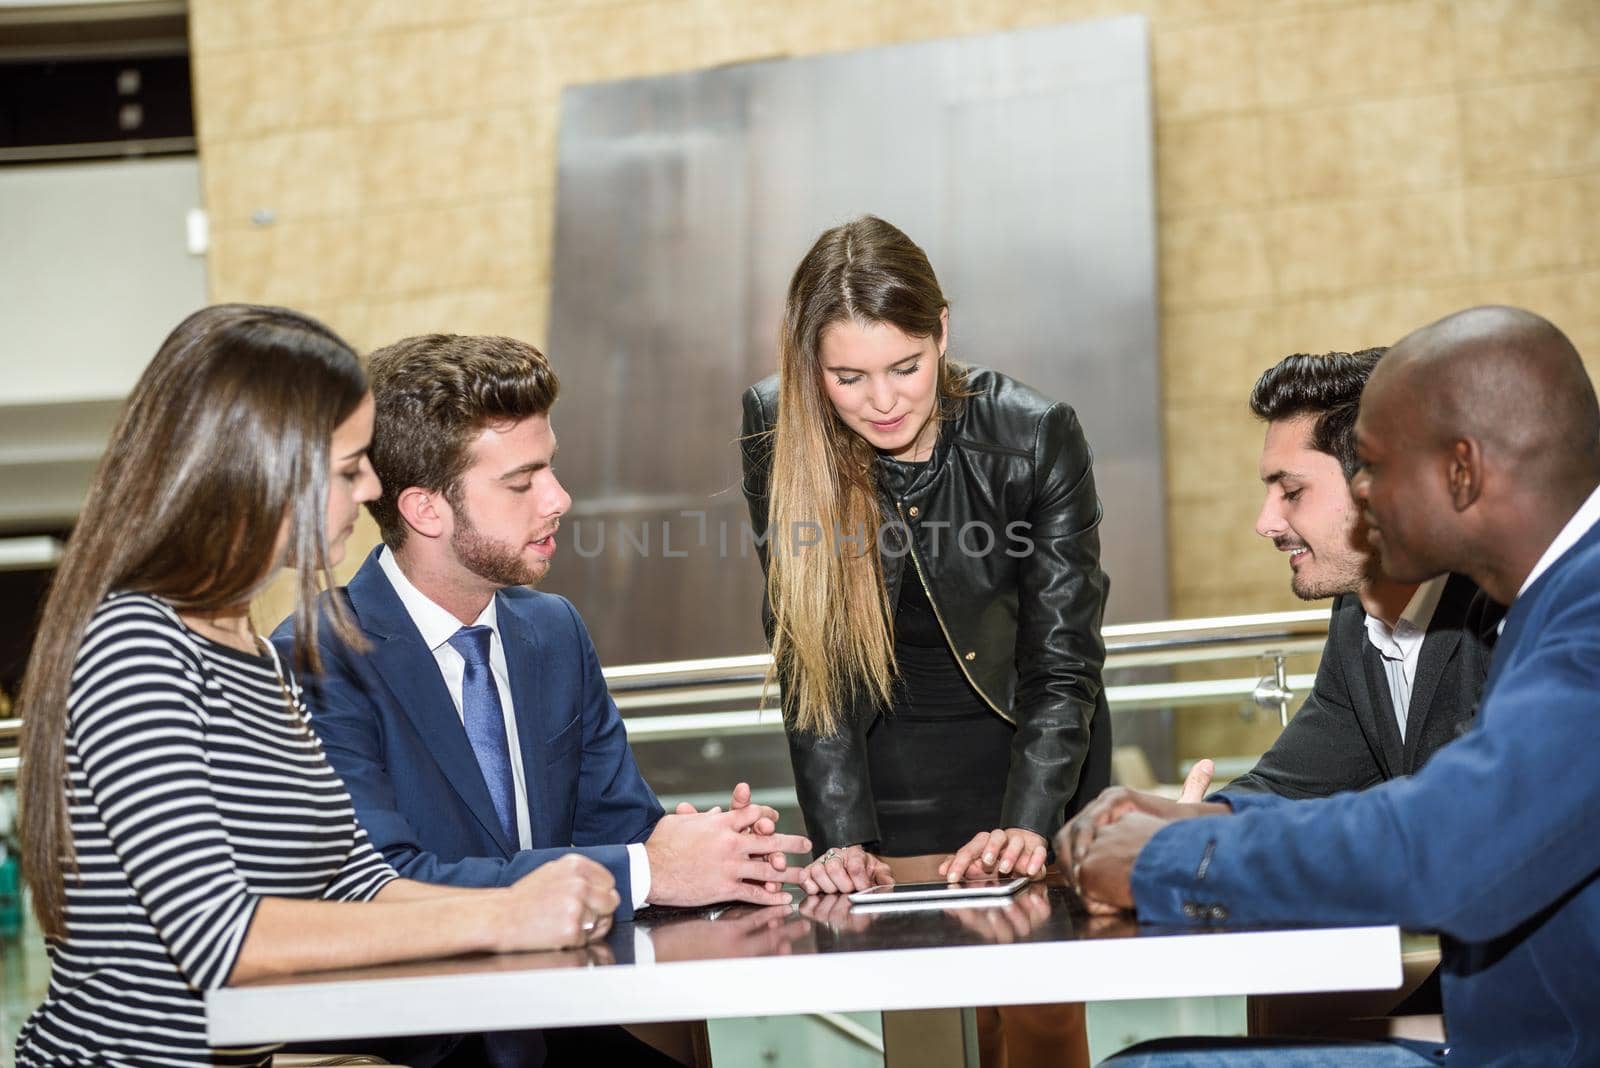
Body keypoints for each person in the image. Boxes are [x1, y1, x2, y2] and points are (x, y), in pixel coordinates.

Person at [15, 305, 618, 1068]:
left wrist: (537, 901)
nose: (370, 485)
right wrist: (503, 918)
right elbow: (222, 940)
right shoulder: (133, 643)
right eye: (346, 468)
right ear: (256, 471)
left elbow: (355, 880)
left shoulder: (251, 652)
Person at [1065, 306, 1600, 1066]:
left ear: (1462, 471)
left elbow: (1443, 845)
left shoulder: (1585, 616)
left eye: (1375, 466)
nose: (1367, 493)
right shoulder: (1549, 600)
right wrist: (1178, 819)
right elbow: (1324, 782)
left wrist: (1170, 859)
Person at [275, 332, 810, 1067]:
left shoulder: (553, 631)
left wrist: (718, 850)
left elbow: (624, 831)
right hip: (420, 1047)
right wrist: (650, 869)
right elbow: (383, 884)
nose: (559, 499)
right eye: (522, 483)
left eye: (549, 467)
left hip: (574, 1024)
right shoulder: (318, 655)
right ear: (427, 510)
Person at [742, 216, 1111, 1067]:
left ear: (942, 329)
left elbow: (1063, 661)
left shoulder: (1034, 432)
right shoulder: (776, 425)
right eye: (848, 376)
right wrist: (843, 835)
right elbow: (811, 658)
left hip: (1033, 761)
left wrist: (1026, 823)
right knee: (926, 1032)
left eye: (906, 366)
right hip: (888, 770)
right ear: (811, 368)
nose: (883, 400)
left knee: (1045, 1027)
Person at [1187, 350, 1497, 806]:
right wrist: (1190, 825)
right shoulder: (1356, 613)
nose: (1265, 523)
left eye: (1292, 491)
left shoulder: (1504, 604)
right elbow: (1292, 782)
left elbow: (1468, 809)